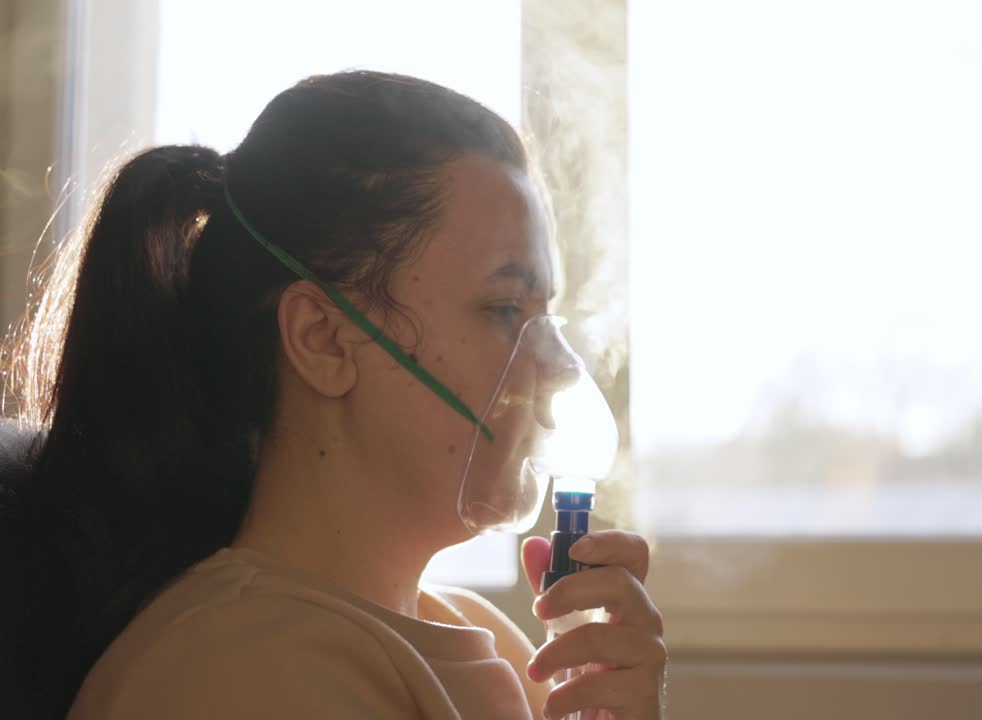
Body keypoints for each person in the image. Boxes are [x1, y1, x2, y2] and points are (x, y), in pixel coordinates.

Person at [3, 71, 665, 719]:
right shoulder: (238, 673)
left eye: (546, 319)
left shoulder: (481, 638)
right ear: (322, 339)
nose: (554, 371)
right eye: (502, 308)